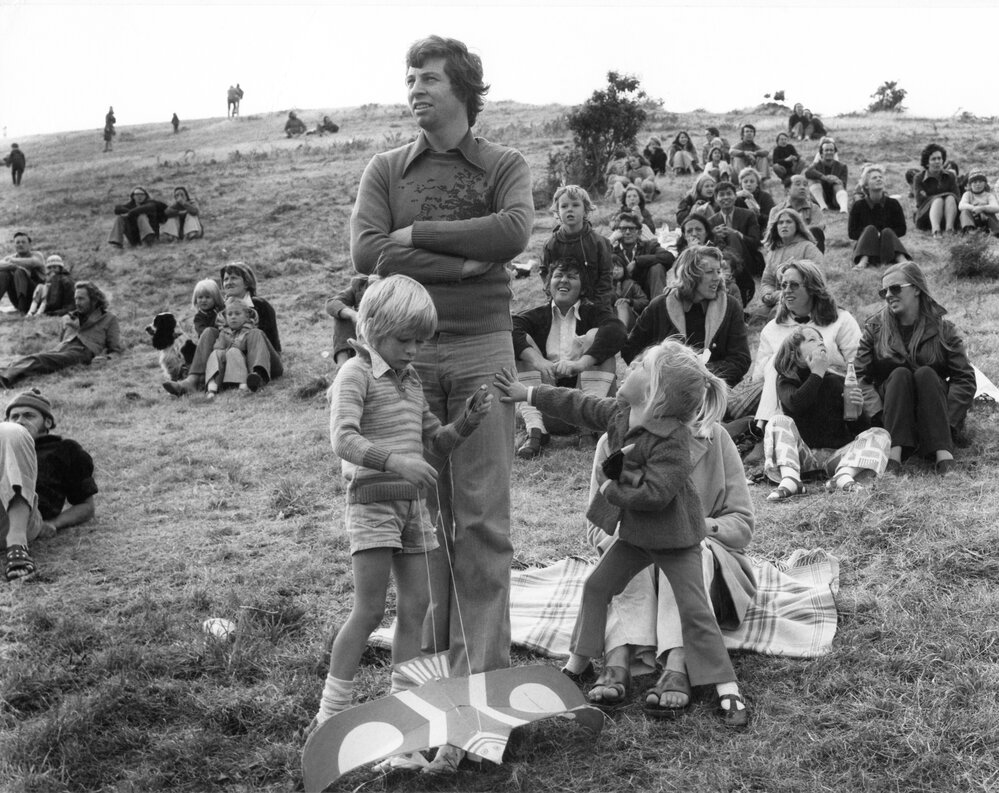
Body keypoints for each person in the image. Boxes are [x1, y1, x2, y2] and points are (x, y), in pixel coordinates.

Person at [348, 34, 532, 773]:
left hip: (486, 353)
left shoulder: (503, 165)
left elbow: (513, 232)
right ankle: (426, 704)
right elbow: (367, 253)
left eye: (427, 78)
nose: (414, 89)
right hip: (407, 365)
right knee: (419, 533)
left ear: (463, 88)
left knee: (480, 525)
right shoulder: (386, 168)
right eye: (409, 78)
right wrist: (467, 259)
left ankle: (483, 701)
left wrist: (416, 236)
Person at [493, 339, 751, 728]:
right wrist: (526, 392)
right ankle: (578, 663)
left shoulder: (676, 443)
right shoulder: (619, 415)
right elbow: (575, 403)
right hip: (635, 538)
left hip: (678, 541)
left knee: (695, 609)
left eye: (641, 366)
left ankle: (726, 688)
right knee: (596, 586)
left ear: (654, 394)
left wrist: (611, 488)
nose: (630, 367)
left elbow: (655, 495)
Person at [310, 275, 494, 765]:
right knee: (369, 610)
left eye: (420, 340)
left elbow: (435, 440)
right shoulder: (355, 374)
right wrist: (395, 462)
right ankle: (330, 714)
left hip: (414, 511)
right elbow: (342, 439)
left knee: (416, 610)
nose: (414, 351)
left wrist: (468, 422)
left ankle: (403, 721)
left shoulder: (411, 382)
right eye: (404, 340)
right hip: (372, 504)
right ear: (372, 330)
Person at [584, 379, 754, 718]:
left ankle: (678, 660)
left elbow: (742, 526)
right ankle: (618, 655)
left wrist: (696, 527)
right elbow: (595, 527)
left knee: (691, 548)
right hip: (636, 557)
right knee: (627, 542)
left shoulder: (715, 437)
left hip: (704, 560)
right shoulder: (611, 440)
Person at [855, 262, 975, 476]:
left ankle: (943, 455)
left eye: (895, 288)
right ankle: (893, 455)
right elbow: (860, 378)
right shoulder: (875, 328)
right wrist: (879, 416)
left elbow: (964, 379)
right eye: (884, 291)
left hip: (935, 414)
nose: (888, 295)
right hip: (891, 415)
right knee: (900, 374)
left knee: (926, 373)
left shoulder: (943, 329)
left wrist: (948, 419)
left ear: (917, 288)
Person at [512, 258, 626, 458]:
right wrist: (540, 363)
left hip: (587, 405)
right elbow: (511, 329)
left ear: (582, 288)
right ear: (549, 285)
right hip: (544, 402)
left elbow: (617, 332)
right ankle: (536, 431)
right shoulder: (535, 316)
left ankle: (588, 429)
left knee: (595, 337)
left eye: (571, 277)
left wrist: (580, 364)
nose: (563, 281)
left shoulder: (596, 313)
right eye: (558, 276)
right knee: (522, 345)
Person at [763, 327, 891, 500]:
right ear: (796, 353)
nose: (821, 342)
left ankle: (843, 476)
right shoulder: (787, 381)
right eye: (812, 340)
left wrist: (859, 412)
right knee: (777, 421)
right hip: (803, 457)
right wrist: (817, 373)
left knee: (879, 434)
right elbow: (797, 404)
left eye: (821, 339)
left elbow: (858, 429)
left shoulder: (836, 381)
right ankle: (791, 480)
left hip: (836, 457)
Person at [1, 389, 98, 581]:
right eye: (14, 416)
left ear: (47, 422)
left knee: (12, 433)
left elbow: (87, 506)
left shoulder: (65, 450)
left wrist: (54, 523)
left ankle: (17, 546)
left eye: (29, 415)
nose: (20, 420)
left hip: (22, 522)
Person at [621, 245, 750, 388]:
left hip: (714, 388)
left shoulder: (730, 306)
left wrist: (697, 374)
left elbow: (740, 359)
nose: (717, 278)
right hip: (666, 389)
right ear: (690, 275)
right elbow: (631, 349)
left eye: (718, 271)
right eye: (709, 272)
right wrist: (658, 370)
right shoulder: (660, 306)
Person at [751, 260, 861, 425]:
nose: (786, 291)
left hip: (831, 396)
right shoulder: (772, 329)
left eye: (794, 285)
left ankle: (763, 427)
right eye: (783, 285)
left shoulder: (841, 320)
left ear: (812, 288)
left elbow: (858, 365)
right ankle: (765, 427)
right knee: (776, 360)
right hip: (789, 400)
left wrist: (820, 368)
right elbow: (758, 377)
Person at [164, 263, 282, 395]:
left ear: (247, 282)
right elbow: (216, 341)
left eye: (233, 278)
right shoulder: (221, 310)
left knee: (255, 333)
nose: (228, 282)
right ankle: (192, 381)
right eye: (226, 279)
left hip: (264, 361)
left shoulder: (259, 304)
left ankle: (258, 376)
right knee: (209, 331)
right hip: (233, 361)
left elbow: (269, 342)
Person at [0, 282, 122, 389]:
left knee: (40, 359)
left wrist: (106, 358)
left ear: (94, 300)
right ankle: (6, 375)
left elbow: (116, 350)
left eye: (81, 299)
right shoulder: (68, 318)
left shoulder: (109, 319)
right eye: (76, 299)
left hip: (83, 352)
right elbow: (61, 341)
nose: (77, 303)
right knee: (34, 359)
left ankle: (3, 378)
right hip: (62, 349)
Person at [540, 185, 613, 306]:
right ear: (557, 212)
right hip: (562, 304)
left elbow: (606, 279)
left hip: (594, 303)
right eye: (564, 206)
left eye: (575, 205)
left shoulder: (600, 243)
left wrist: (596, 305)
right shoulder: (551, 244)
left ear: (585, 210)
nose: (570, 209)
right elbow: (545, 274)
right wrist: (553, 298)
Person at [757, 209, 824, 315]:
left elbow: (817, 279)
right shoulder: (774, 252)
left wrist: (783, 294)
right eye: (780, 223)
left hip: (802, 302)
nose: (784, 225)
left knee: (775, 315)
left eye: (788, 222)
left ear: (797, 226)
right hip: (776, 300)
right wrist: (768, 294)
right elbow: (767, 281)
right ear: (776, 227)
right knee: (756, 317)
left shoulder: (808, 247)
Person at [708, 180, 762, 303]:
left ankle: (736, 279)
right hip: (720, 262)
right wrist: (713, 235)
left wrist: (738, 234)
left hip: (746, 260)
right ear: (716, 199)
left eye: (729, 193)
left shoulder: (748, 215)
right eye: (721, 195)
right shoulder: (711, 221)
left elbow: (756, 243)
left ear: (735, 196)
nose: (725, 197)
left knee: (732, 236)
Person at [848, 165, 910, 269]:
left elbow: (902, 229)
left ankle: (902, 260)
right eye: (874, 178)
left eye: (880, 177)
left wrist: (882, 235)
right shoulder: (858, 205)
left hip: (887, 247)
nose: (878, 179)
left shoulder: (893, 203)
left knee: (887, 231)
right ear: (866, 185)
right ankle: (863, 261)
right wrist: (872, 235)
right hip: (865, 247)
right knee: (870, 229)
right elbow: (852, 233)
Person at [609, 210, 673, 301]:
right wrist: (612, 239)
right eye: (623, 229)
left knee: (657, 267)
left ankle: (658, 307)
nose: (627, 232)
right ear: (618, 231)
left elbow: (668, 257)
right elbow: (594, 261)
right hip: (622, 297)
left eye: (631, 229)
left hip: (648, 292)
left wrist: (637, 261)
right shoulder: (613, 251)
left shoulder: (649, 246)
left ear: (638, 232)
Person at [205, 298, 259, 397]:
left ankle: (242, 383)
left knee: (234, 351)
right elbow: (218, 346)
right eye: (230, 314)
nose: (233, 317)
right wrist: (222, 350)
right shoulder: (224, 332)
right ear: (225, 317)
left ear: (246, 316)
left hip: (243, 363)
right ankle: (212, 385)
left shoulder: (248, 330)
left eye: (237, 314)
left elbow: (245, 347)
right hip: (226, 364)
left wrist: (235, 344)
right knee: (215, 353)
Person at [912, 143, 961, 236]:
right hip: (926, 218)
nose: (937, 161)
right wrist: (939, 199)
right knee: (938, 201)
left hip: (949, 214)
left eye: (939, 158)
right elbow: (920, 201)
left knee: (950, 198)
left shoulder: (950, 176)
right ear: (927, 162)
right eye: (933, 159)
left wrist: (945, 198)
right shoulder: (919, 178)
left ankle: (949, 230)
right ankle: (936, 231)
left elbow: (957, 197)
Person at [769, 173, 826, 251]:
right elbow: (772, 234)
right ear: (787, 190)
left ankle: (815, 262)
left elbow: (819, 228)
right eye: (798, 184)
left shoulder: (814, 208)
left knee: (815, 231)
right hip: (784, 249)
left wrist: (793, 233)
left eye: (805, 185)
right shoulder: (777, 210)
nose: (802, 187)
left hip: (808, 249)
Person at [326, 274, 374, 367]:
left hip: (381, 334)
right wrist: (353, 315)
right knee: (342, 311)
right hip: (361, 332)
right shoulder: (361, 285)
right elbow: (331, 303)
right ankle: (343, 363)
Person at [0, 232, 46, 314]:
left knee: (20, 272)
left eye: (23, 242)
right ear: (14, 245)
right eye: (17, 242)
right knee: (4, 274)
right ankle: (20, 307)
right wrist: (12, 265)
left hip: (36, 298)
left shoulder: (37, 255)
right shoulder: (10, 258)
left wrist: (12, 263)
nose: (20, 244)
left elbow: (33, 262)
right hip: (16, 298)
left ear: (29, 245)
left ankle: (22, 309)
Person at [805, 139, 849, 212]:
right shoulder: (817, 165)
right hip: (819, 198)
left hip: (835, 199)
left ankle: (843, 209)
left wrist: (836, 180)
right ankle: (823, 206)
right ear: (821, 153)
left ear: (834, 152)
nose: (829, 152)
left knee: (837, 183)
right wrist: (824, 178)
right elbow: (808, 171)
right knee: (813, 180)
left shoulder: (842, 166)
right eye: (826, 150)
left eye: (831, 150)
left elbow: (844, 185)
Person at [610, 257, 649, 331]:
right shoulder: (605, 285)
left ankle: (621, 333)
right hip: (610, 317)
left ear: (624, 269)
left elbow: (645, 301)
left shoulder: (631, 284)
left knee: (622, 304)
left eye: (619, 267)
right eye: (613, 267)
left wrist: (629, 301)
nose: (616, 270)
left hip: (630, 318)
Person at [958, 170, 999, 235]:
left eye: (980, 181)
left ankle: (996, 231)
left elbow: (996, 208)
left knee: (990, 213)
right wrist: (974, 208)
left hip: (986, 219)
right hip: (973, 218)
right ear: (970, 185)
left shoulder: (989, 195)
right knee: (964, 212)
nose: (978, 184)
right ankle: (969, 229)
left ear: (985, 184)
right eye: (974, 182)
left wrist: (983, 208)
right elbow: (961, 205)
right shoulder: (967, 194)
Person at [735, 167, 776, 231]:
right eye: (745, 182)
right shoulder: (735, 197)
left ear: (757, 184)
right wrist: (733, 198)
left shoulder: (765, 197)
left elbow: (771, 219)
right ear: (741, 184)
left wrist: (758, 215)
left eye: (752, 181)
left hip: (760, 229)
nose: (749, 184)